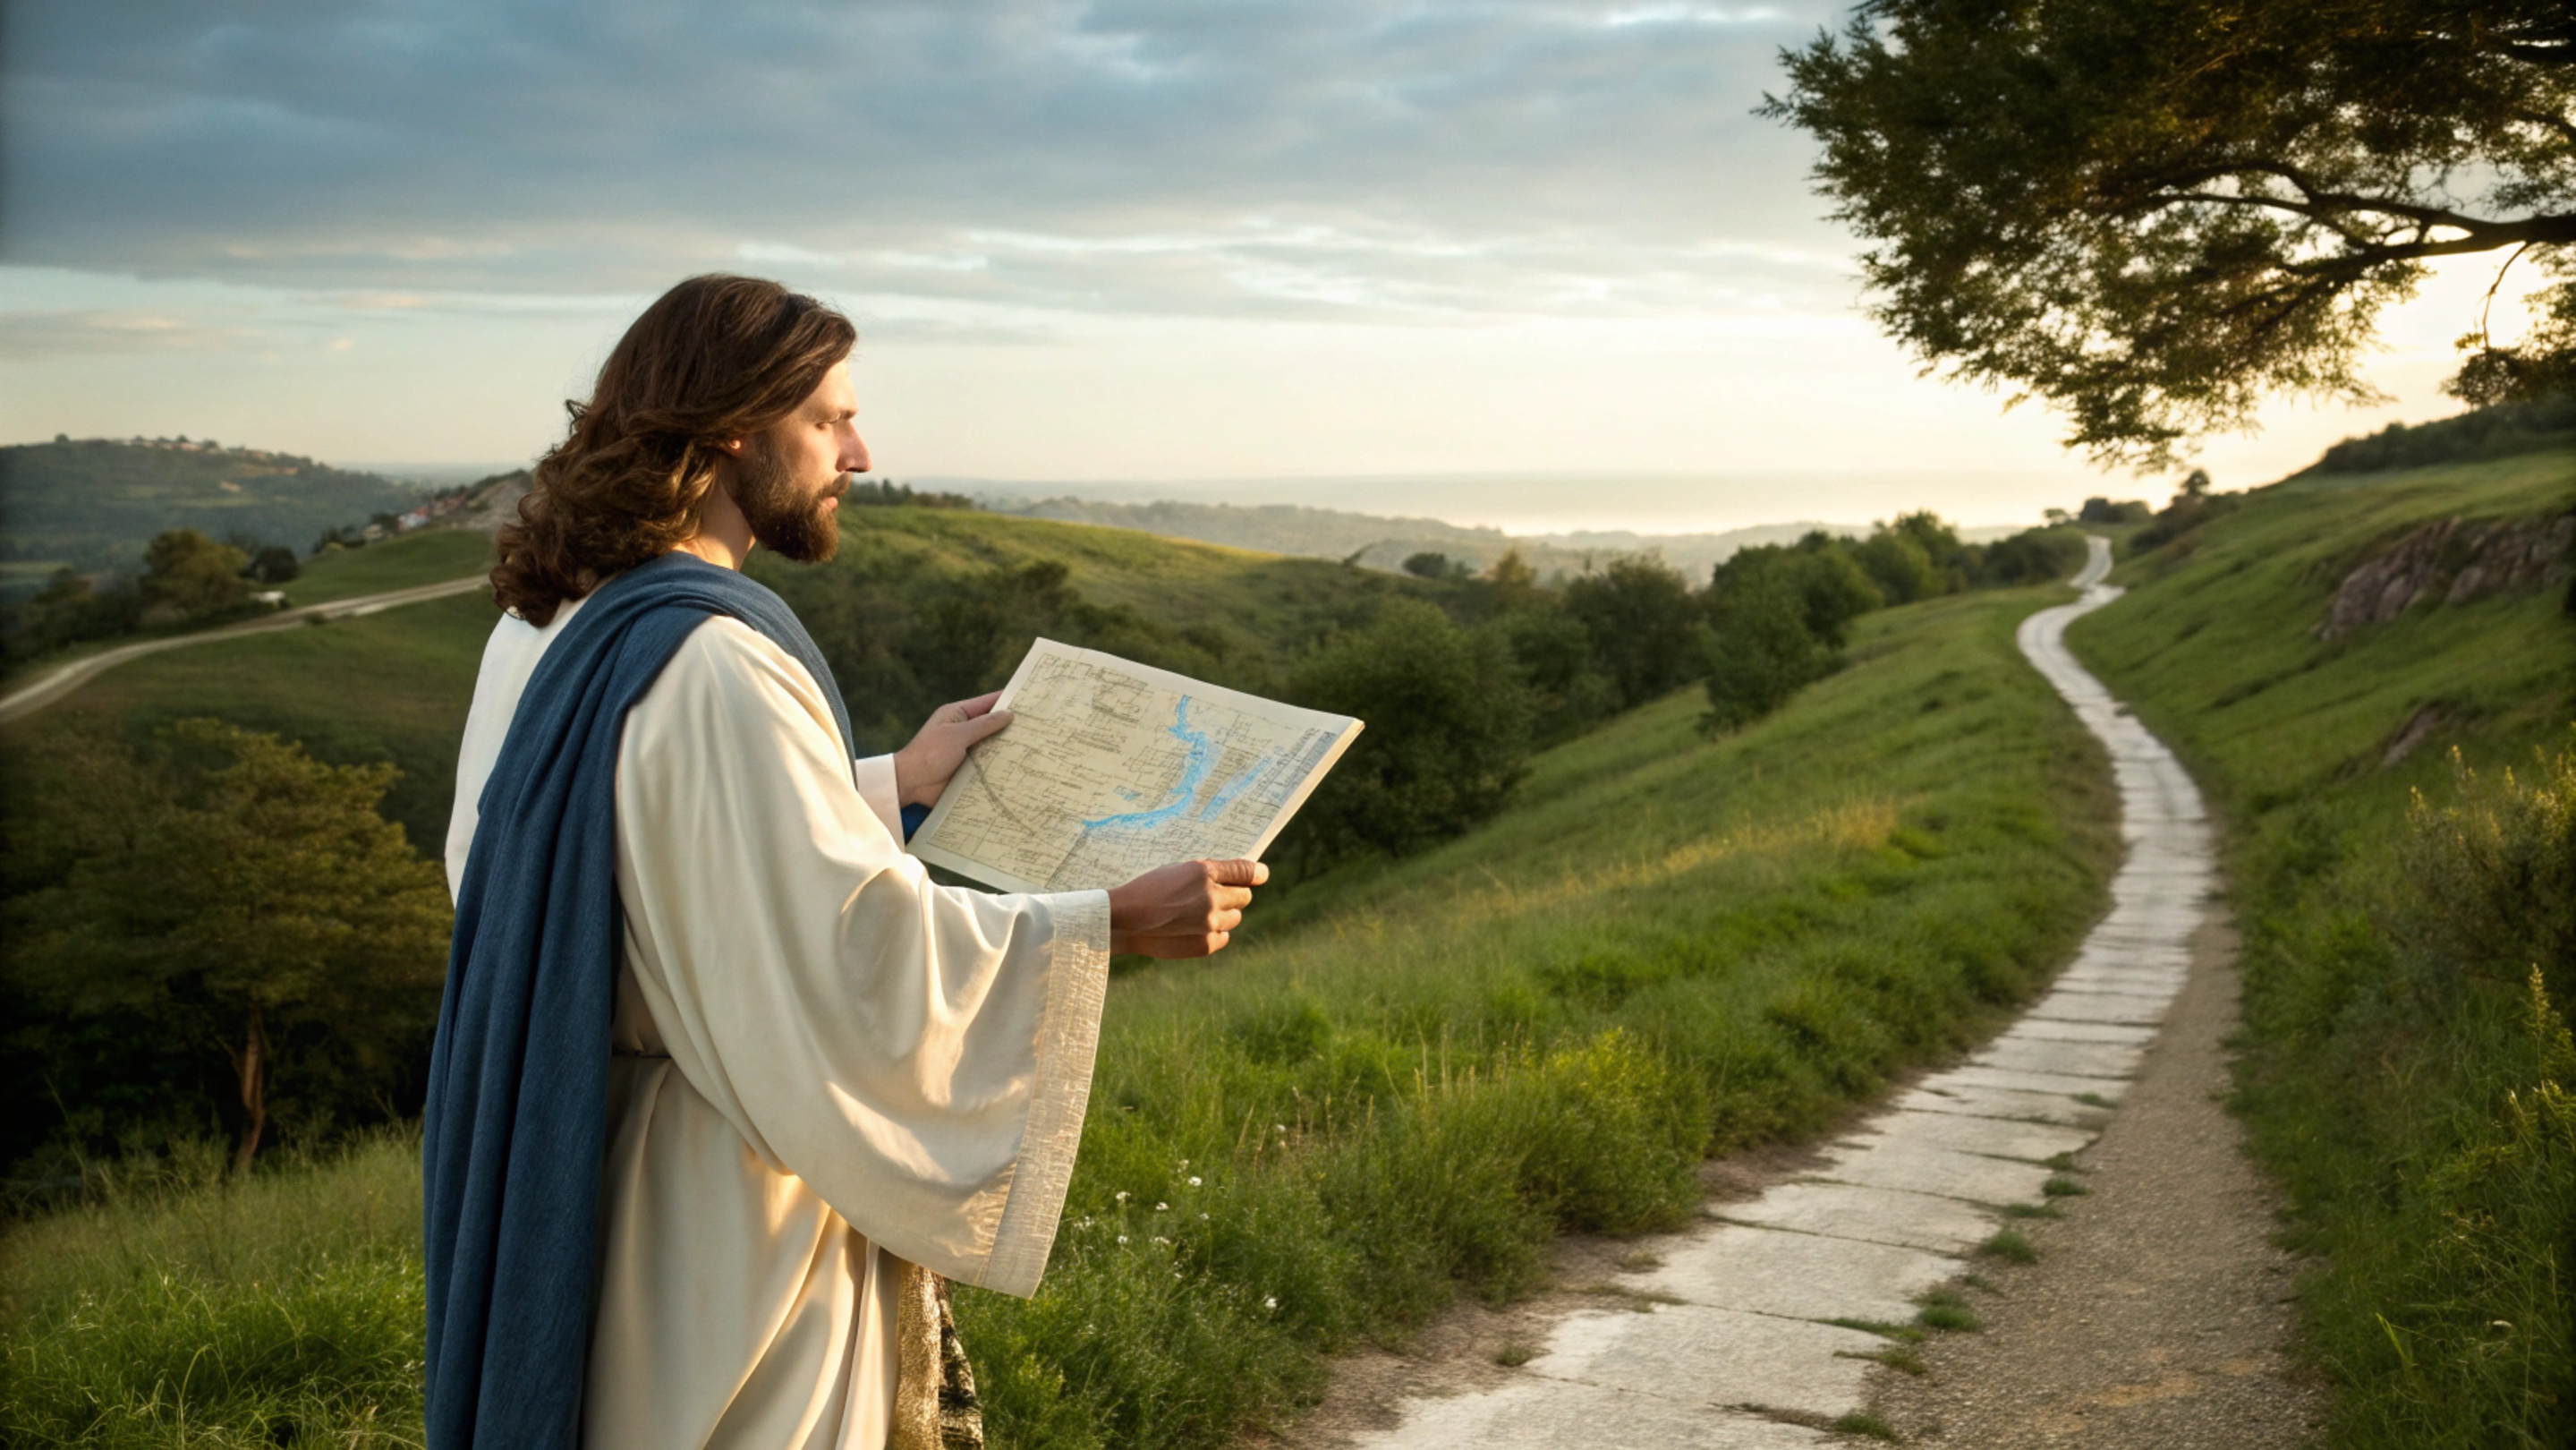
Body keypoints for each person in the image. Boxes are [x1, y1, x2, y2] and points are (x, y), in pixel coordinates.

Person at [423, 274, 1262, 1450]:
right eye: (830, 420)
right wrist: (1106, 921)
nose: (859, 455)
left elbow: (614, 856)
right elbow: (851, 952)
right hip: (729, 1193)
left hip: (587, 1151)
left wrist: (892, 782)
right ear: (733, 426)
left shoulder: (548, 624)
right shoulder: (716, 661)